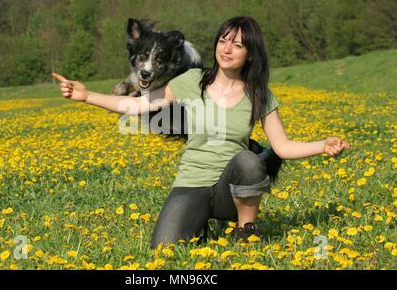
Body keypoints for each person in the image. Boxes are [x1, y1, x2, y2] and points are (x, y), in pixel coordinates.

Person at [52, 16, 351, 249]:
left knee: (248, 159)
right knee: (164, 249)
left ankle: (246, 229)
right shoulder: (192, 80)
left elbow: (282, 147)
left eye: (237, 44)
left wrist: (321, 145)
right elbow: (138, 106)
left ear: (250, 53)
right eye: (223, 40)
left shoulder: (260, 93)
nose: (227, 49)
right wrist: (87, 95)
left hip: (229, 187)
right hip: (191, 184)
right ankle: (198, 223)